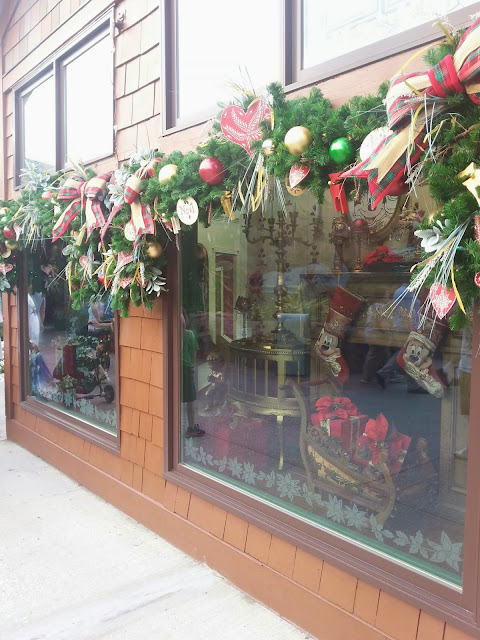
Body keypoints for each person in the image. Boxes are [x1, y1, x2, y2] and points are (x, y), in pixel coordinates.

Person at [181, 310, 205, 438]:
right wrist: (191, 367)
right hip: (186, 369)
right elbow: (193, 354)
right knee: (190, 400)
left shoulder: (172, 334)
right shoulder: (189, 334)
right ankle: (191, 427)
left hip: (174, 369)